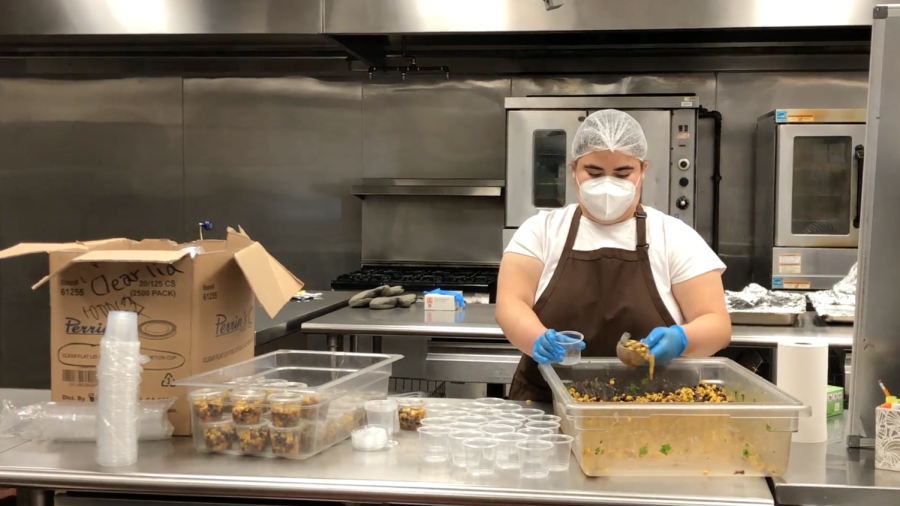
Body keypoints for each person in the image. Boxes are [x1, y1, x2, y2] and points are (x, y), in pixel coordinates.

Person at [496, 109, 731, 401]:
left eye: (623, 173)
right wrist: (534, 338)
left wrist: (683, 339)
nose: (607, 184)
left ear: (643, 170)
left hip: (650, 408)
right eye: (593, 172)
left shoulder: (675, 236)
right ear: (573, 170)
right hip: (547, 407)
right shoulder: (540, 231)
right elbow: (510, 303)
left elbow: (717, 324)